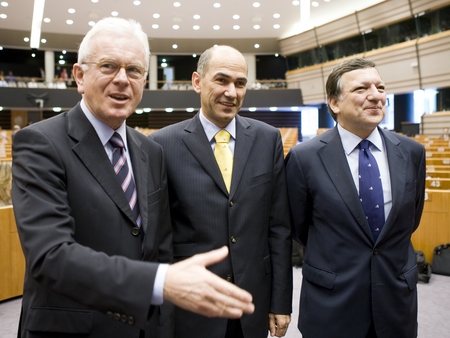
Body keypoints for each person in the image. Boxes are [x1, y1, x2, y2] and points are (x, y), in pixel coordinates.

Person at [12, 18, 254, 338]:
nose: (123, 80)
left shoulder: (149, 151)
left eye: (135, 70)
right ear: (79, 76)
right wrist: (159, 282)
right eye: (109, 66)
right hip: (72, 329)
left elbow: (159, 248)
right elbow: (50, 256)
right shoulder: (40, 143)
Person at [150, 45, 292, 338]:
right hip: (191, 304)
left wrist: (280, 302)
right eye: (222, 80)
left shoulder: (268, 140)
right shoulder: (163, 145)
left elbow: (278, 228)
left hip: (251, 303)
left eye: (240, 84)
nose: (232, 92)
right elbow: (158, 235)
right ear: (197, 82)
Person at [285, 58, 426, 338]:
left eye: (380, 87)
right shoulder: (305, 158)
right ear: (335, 103)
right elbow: (299, 229)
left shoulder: (411, 152)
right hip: (333, 303)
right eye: (361, 89)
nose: (376, 96)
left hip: (396, 299)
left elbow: (410, 220)